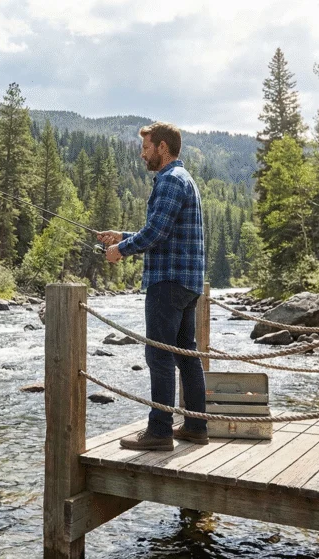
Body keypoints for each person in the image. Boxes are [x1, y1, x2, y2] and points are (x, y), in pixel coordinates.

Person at [98, 121, 206, 451]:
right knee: (186, 355)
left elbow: (156, 234)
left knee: (158, 356)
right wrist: (123, 236)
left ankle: (159, 431)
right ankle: (195, 426)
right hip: (186, 283)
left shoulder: (171, 181)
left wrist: (120, 250)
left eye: (146, 147)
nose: (142, 154)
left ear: (161, 147)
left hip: (168, 283)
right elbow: (164, 233)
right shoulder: (182, 179)